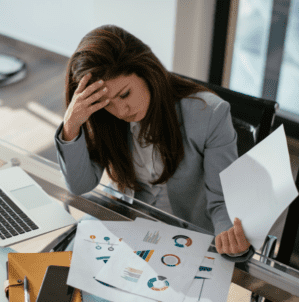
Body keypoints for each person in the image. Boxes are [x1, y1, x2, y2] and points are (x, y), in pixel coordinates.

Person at [54, 25, 253, 261]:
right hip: (128, 221)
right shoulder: (106, 118)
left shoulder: (209, 113)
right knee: (62, 266)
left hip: (185, 235)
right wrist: (71, 126)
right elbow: (79, 186)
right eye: (108, 103)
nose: (120, 111)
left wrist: (229, 238)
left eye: (125, 94)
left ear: (146, 73)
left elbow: (220, 201)